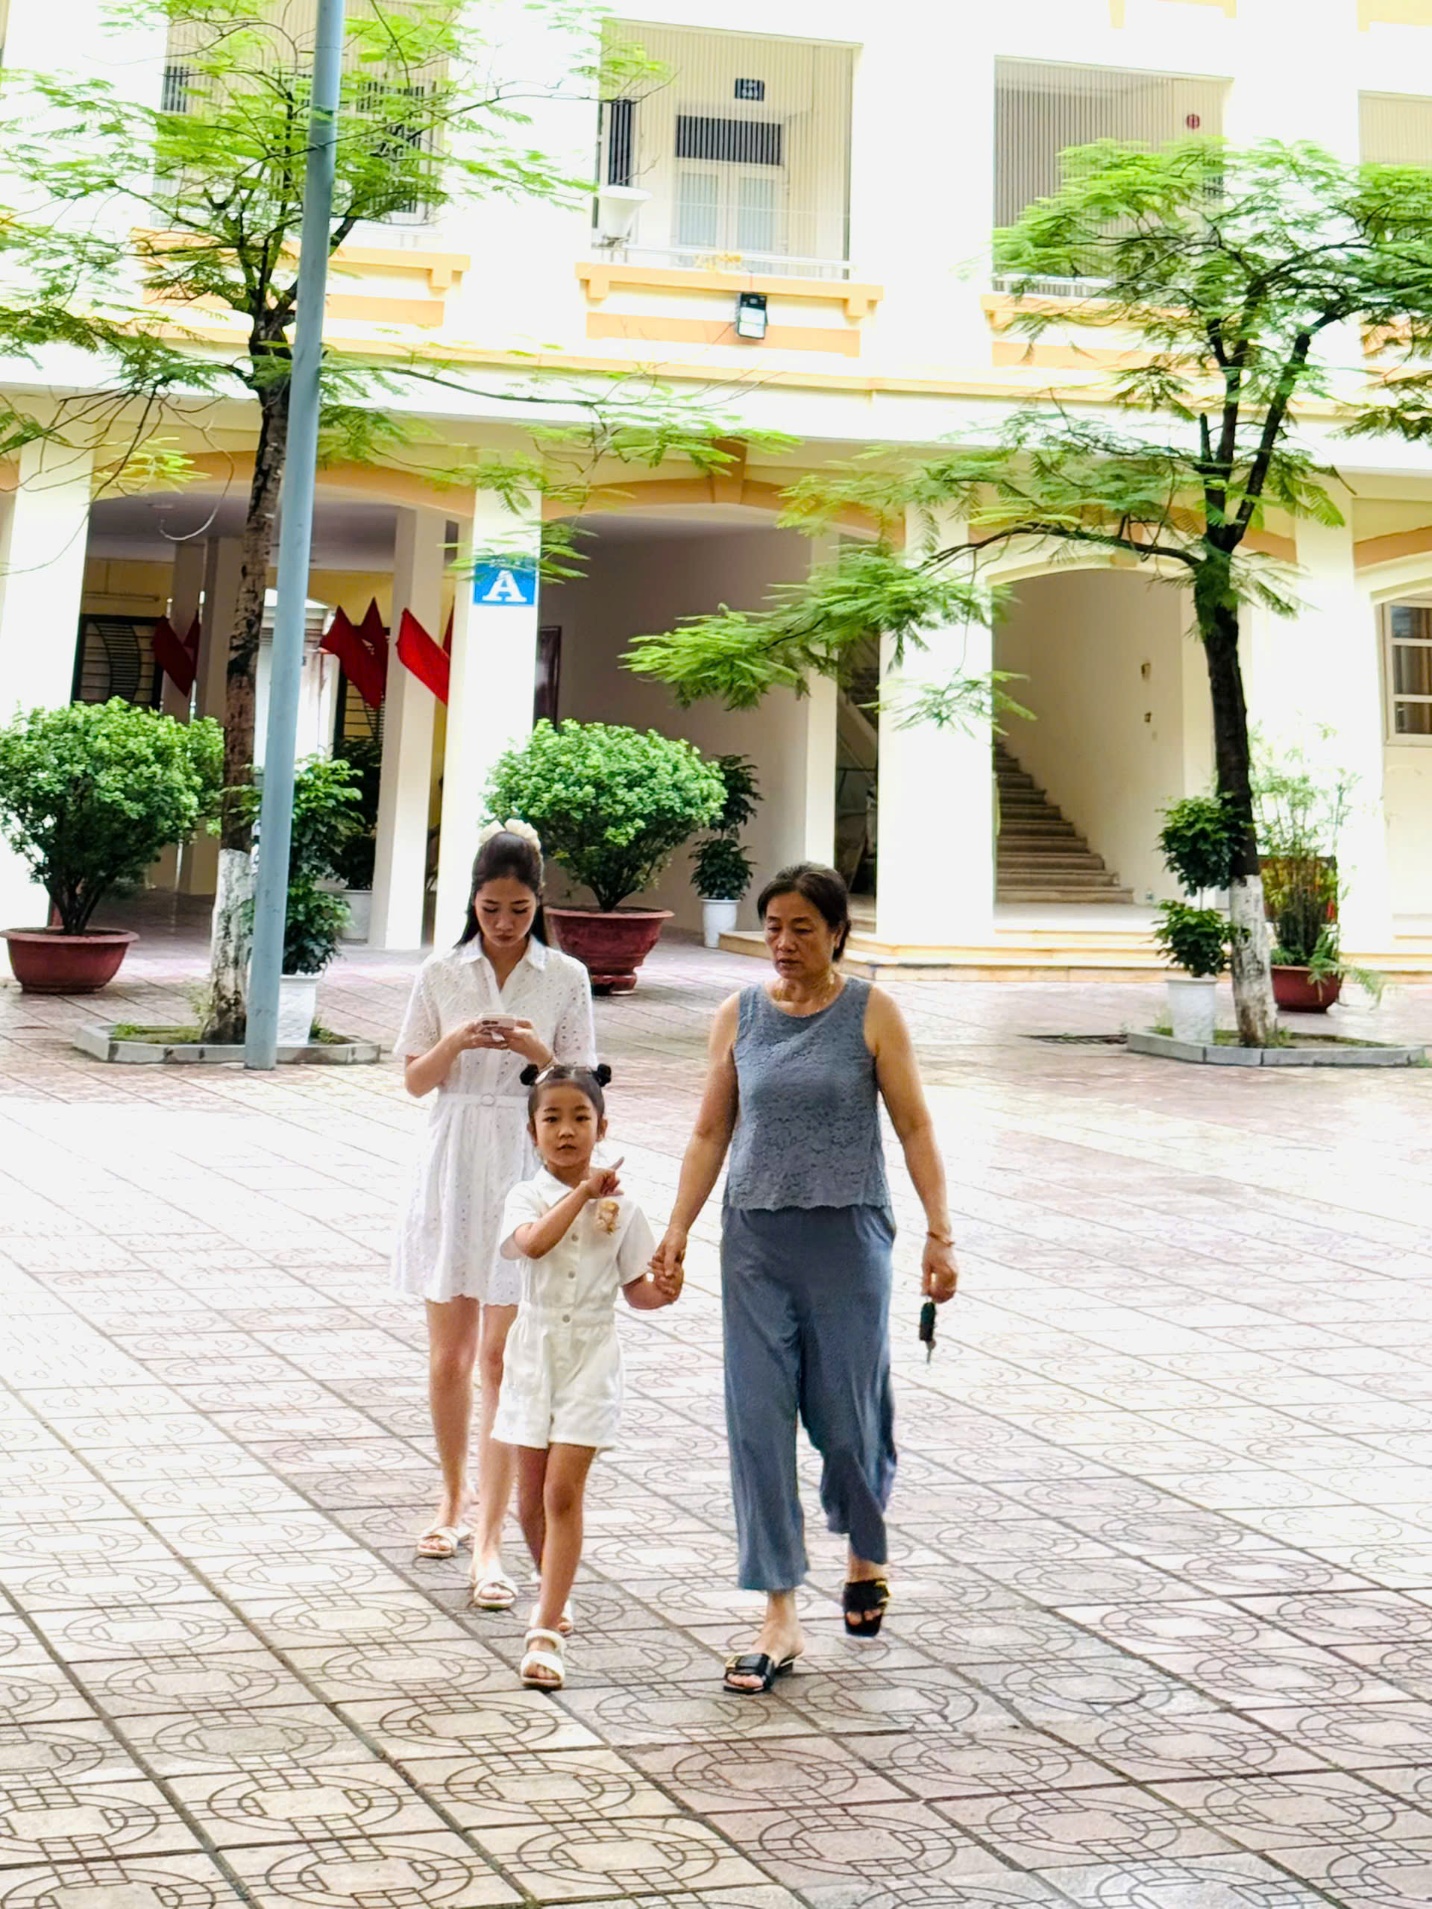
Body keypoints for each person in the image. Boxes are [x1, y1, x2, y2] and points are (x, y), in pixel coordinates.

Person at [651, 862, 959, 1695]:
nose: (784, 944)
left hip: (847, 1234)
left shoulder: (872, 1012)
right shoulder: (738, 1015)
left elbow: (916, 1124)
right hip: (754, 1237)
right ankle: (778, 1612)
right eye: (774, 928)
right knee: (756, 1419)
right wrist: (676, 1229)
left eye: (803, 929)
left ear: (837, 935)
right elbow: (710, 1133)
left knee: (848, 1418)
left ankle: (864, 1545)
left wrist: (941, 1231)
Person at [393, 822, 595, 1612]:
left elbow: (581, 1082)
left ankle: (492, 1533)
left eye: (516, 909)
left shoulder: (565, 974)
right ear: (471, 904)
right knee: (450, 1353)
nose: (503, 923)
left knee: (504, 1359)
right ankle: (449, 1497)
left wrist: (536, 1050)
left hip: (522, 1156)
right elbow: (413, 1077)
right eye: (489, 908)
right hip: (453, 1153)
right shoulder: (442, 970)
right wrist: (453, 1041)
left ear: (537, 903)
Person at [495, 1062, 678, 1690]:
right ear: (532, 1132)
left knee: (562, 1495)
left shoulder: (625, 1209)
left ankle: (544, 1631)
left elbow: (638, 1290)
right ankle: (557, 1588)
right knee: (528, 1504)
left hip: (591, 1357)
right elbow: (534, 1244)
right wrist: (582, 1194)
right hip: (533, 1352)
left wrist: (667, 1288)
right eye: (552, 1119)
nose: (567, 1131)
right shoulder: (525, 1196)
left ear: (603, 1127)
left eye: (581, 1118)